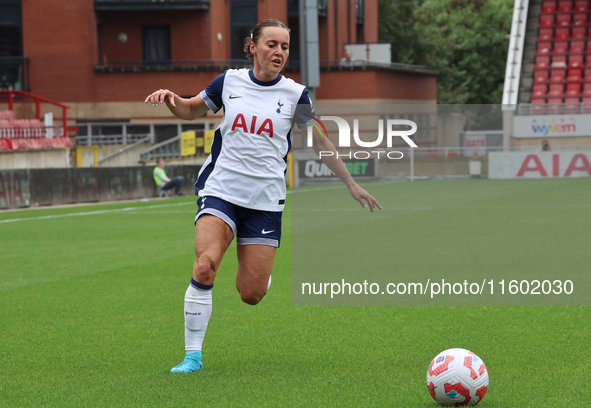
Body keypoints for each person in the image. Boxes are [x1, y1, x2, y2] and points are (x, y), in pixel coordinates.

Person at [144, 19, 381, 374]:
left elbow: (321, 142)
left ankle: (260, 274)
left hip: (266, 202)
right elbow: (192, 108)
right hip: (221, 190)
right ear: (252, 47)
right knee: (205, 265)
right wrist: (172, 100)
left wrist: (351, 183)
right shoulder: (228, 82)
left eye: (285, 47)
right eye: (272, 44)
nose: (279, 52)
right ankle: (192, 355)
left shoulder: (296, 95)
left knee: (250, 294)